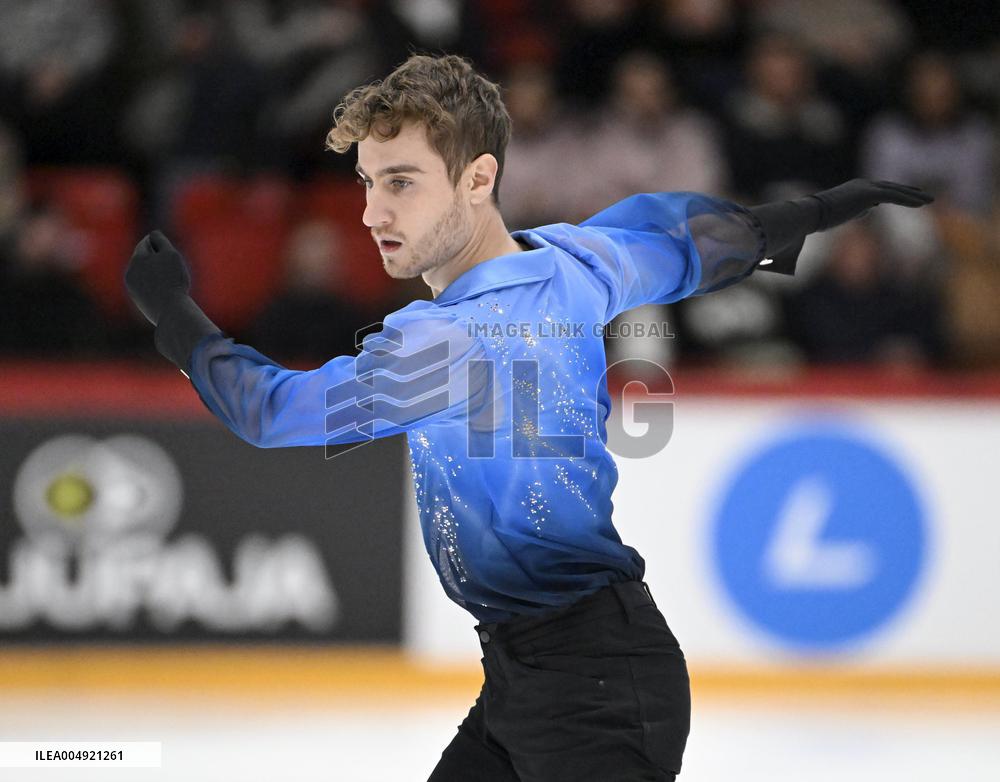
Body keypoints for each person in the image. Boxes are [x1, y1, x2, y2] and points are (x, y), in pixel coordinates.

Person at [124, 54, 932, 782]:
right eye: (367, 182)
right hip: (537, 683)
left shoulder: (441, 342)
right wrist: (821, 209)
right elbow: (695, 245)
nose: (372, 213)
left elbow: (268, 412)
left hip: (592, 698)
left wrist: (172, 313)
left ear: (478, 179)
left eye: (401, 181)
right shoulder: (580, 260)